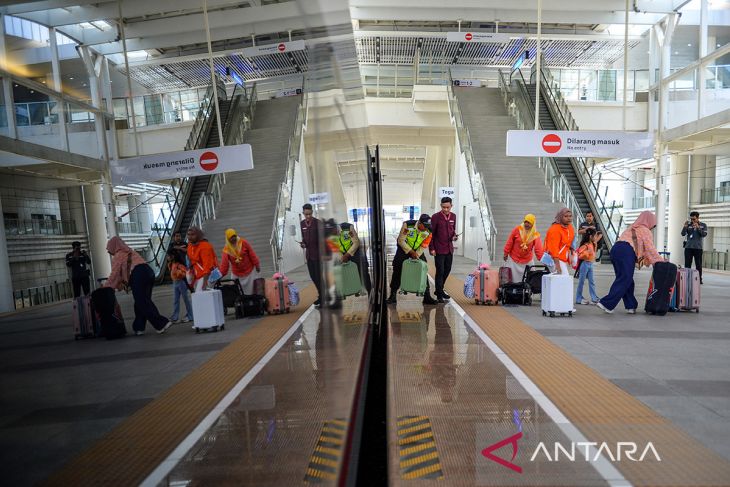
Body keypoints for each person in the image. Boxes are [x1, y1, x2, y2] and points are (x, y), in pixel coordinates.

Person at [597, 211, 664, 314]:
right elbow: (650, 249)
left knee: (626, 279)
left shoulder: (631, 228)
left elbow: (644, 250)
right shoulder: (645, 230)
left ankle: (631, 305)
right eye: (653, 225)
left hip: (616, 250)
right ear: (649, 221)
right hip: (626, 251)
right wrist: (661, 261)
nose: (652, 227)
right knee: (625, 279)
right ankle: (606, 303)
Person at [105, 236, 172, 335]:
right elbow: (121, 275)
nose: (109, 252)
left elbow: (114, 274)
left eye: (109, 249)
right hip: (148, 272)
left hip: (138, 275)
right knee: (141, 301)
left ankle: (161, 323)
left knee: (142, 302)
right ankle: (139, 327)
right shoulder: (131, 252)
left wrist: (106, 287)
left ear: (113, 246)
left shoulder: (118, 255)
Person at [386, 214, 438, 305]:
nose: (426, 228)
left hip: (418, 250)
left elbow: (424, 245)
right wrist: (410, 251)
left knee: (423, 270)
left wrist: (416, 254)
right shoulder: (408, 225)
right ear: (419, 223)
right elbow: (401, 240)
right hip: (404, 249)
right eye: (424, 226)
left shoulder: (429, 230)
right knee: (397, 270)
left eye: (427, 226)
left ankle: (427, 296)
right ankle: (393, 295)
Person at [328, 221, 372, 293]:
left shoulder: (348, 228)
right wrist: (342, 257)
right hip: (343, 254)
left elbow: (356, 242)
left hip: (356, 251)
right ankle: (345, 290)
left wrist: (347, 254)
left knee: (363, 272)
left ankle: (370, 292)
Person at [429, 197, 458, 303]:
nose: (446, 209)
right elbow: (431, 234)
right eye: (444, 207)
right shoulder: (435, 217)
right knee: (440, 271)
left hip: (449, 249)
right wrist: (432, 248)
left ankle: (439, 290)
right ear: (441, 206)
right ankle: (439, 294)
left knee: (447, 270)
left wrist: (454, 237)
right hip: (439, 249)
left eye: (448, 207)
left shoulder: (453, 216)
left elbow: (453, 230)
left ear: (451, 206)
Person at [502, 214, 544, 282]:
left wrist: (542, 259)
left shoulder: (535, 234)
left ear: (533, 224)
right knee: (511, 280)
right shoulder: (517, 229)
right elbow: (509, 242)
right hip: (514, 260)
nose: (526, 224)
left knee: (530, 279)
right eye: (525, 222)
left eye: (529, 223)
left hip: (527, 260)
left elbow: (538, 249)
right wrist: (505, 253)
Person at [219, 228, 261, 294]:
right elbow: (225, 265)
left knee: (253, 291)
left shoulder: (243, 242)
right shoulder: (226, 250)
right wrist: (220, 275)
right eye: (231, 237)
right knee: (237, 293)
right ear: (227, 239)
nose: (233, 239)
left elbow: (252, 254)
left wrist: (257, 265)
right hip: (237, 274)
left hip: (250, 272)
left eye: (234, 236)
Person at [300, 204, 326, 307]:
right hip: (309, 255)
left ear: (312, 212)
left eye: (309, 214)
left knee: (319, 277)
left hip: (318, 255)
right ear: (303, 213)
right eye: (306, 214)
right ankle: (322, 296)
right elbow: (304, 238)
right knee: (313, 277)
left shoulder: (318, 223)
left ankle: (323, 298)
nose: (308, 216)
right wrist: (303, 244)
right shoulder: (302, 224)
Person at [167, 238, 193, 324]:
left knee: (186, 299)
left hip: (181, 282)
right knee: (176, 300)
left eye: (169, 256)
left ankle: (190, 315)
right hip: (175, 283)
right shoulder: (172, 264)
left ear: (173, 256)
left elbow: (184, 273)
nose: (168, 257)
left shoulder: (179, 264)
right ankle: (175, 316)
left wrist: (178, 273)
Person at [544, 208, 576, 275]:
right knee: (564, 280)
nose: (569, 218)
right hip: (553, 259)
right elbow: (553, 249)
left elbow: (569, 243)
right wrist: (558, 267)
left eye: (570, 216)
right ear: (560, 217)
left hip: (562, 258)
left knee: (561, 281)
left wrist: (572, 253)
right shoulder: (555, 229)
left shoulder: (570, 227)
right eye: (566, 216)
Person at [575, 228, 602, 305]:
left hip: (590, 264)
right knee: (581, 282)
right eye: (594, 236)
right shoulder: (585, 245)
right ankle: (578, 298)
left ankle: (594, 298)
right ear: (590, 236)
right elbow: (579, 255)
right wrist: (587, 252)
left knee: (592, 282)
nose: (595, 237)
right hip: (585, 264)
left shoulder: (593, 244)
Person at [186, 226, 218, 292]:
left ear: (198, 235)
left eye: (192, 234)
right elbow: (191, 261)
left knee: (201, 296)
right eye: (188, 234)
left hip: (208, 275)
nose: (190, 237)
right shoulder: (190, 246)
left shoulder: (205, 246)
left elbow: (207, 265)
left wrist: (204, 283)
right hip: (198, 275)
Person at [682, 211, 707, 284]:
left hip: (698, 248)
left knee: (698, 264)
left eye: (694, 219)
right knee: (687, 264)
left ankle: (699, 279)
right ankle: (687, 279)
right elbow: (683, 234)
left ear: (698, 218)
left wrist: (698, 228)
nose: (692, 221)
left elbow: (704, 235)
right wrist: (685, 227)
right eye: (691, 219)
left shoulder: (703, 225)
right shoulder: (689, 224)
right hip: (688, 247)